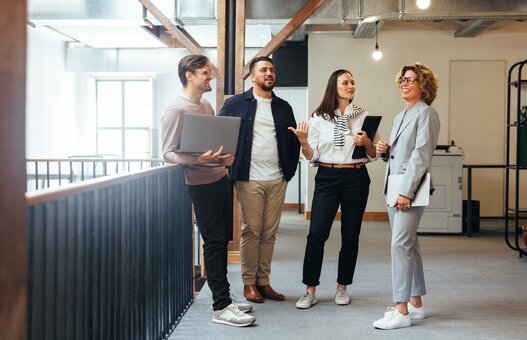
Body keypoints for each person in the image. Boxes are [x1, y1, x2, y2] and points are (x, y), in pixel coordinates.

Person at [161, 54, 255, 327]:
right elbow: (167, 153)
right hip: (199, 184)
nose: (210, 76)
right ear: (189, 75)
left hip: (219, 178)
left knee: (220, 241)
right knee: (213, 242)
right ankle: (221, 306)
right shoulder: (175, 109)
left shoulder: (205, 106)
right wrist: (196, 160)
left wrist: (223, 159)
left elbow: (214, 146)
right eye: (205, 72)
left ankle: (223, 296)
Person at [289, 69, 379, 309]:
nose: (351, 86)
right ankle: (310, 290)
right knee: (317, 233)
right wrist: (303, 142)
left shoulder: (364, 116)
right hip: (327, 176)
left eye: (353, 82)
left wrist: (368, 143)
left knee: (351, 234)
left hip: (356, 177)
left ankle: (342, 287)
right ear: (334, 86)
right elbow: (312, 156)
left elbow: (373, 155)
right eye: (345, 82)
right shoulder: (318, 118)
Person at [219, 56, 300, 303]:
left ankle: (264, 281)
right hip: (249, 178)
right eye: (263, 70)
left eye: (272, 70)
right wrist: (224, 160)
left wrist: (288, 172)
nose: (269, 73)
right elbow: (218, 132)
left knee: (269, 232)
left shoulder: (283, 106)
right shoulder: (235, 104)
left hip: (277, 178)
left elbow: (294, 140)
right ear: (252, 76)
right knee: (252, 230)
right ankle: (249, 283)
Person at [372, 63, 440, 330]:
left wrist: (405, 192)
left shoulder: (427, 114)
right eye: (402, 79)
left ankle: (401, 309)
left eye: (411, 80)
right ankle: (416, 304)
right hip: (395, 186)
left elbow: (421, 156)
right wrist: (385, 150)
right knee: (409, 245)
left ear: (423, 86)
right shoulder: (402, 115)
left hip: (408, 190)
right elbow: (400, 155)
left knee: (399, 245)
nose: (404, 83)